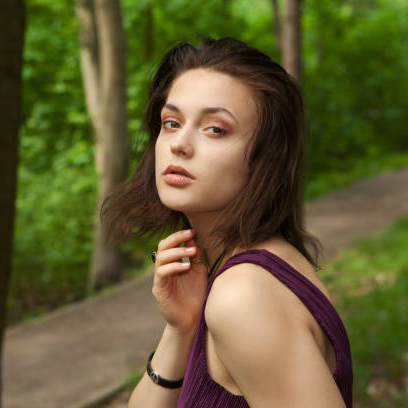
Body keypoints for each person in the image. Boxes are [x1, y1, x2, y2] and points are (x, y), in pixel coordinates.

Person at [101, 36, 353, 407]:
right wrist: (182, 328)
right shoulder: (246, 266)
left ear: (263, 159)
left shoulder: (244, 295)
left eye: (215, 129)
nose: (179, 144)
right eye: (171, 123)